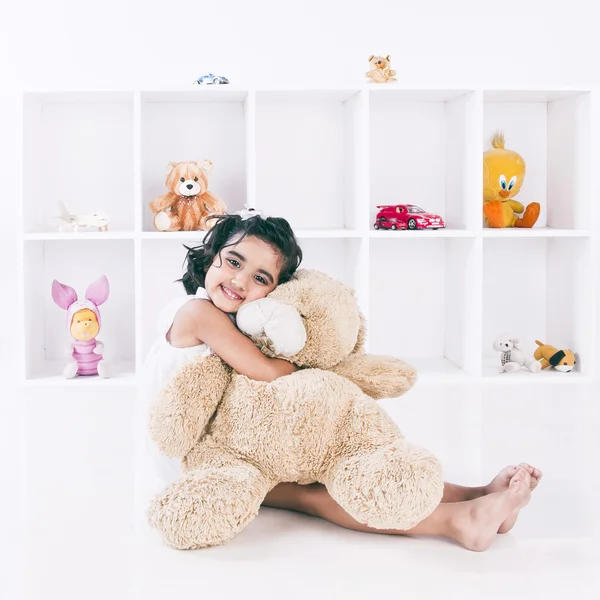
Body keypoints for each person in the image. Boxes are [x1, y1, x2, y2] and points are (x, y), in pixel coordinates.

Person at [140, 209, 542, 551]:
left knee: (338, 466)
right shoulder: (198, 312)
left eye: (261, 278)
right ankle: (459, 522)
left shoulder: (232, 316)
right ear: (210, 257)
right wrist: (318, 373)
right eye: (233, 261)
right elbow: (265, 370)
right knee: (314, 494)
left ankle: (476, 496)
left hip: (232, 437)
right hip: (193, 458)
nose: (240, 280)